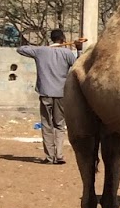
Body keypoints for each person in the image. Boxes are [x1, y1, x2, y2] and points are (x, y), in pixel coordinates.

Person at [17, 29, 80, 165]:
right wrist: (78, 49)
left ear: (51, 39)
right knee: (59, 124)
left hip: (45, 93)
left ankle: (50, 157)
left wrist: (40, 48)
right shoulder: (67, 53)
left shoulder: (41, 51)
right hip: (61, 93)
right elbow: (78, 66)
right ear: (63, 39)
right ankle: (59, 155)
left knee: (46, 124)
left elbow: (21, 49)